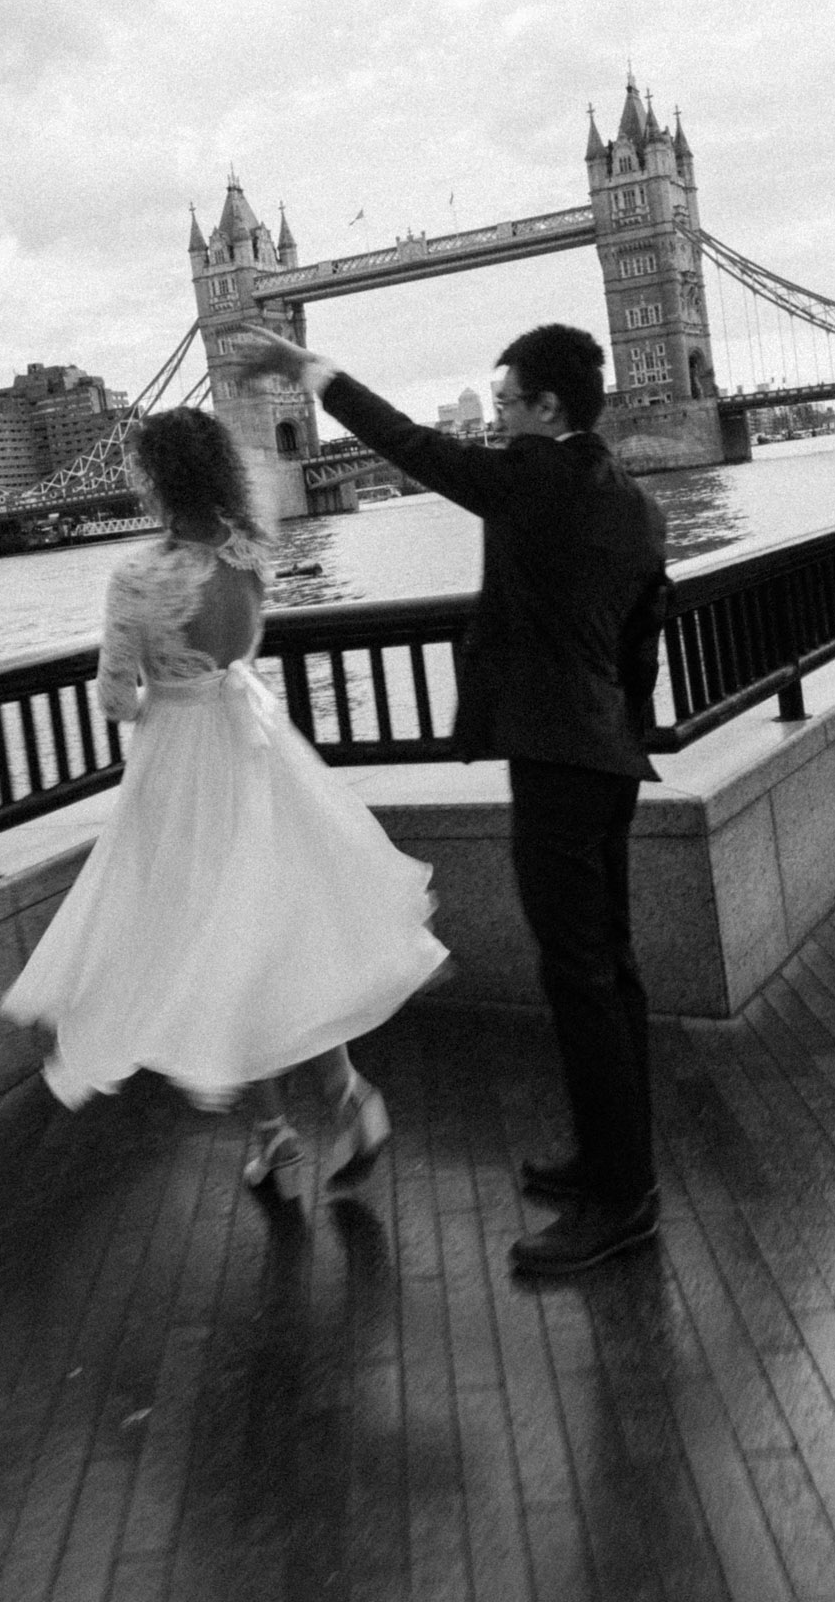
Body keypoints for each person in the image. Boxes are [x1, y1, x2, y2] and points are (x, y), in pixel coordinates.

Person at [240, 323, 669, 1275]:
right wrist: (619, 730)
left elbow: (412, 445)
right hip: (606, 756)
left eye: (508, 399)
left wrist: (310, 370)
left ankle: (622, 1202)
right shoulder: (632, 503)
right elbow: (643, 639)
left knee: (581, 977)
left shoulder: (532, 480)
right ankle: (612, 1158)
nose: (501, 414)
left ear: (546, 409)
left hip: (560, 760)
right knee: (612, 970)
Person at [0, 405, 448, 1203]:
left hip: (181, 768)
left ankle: (275, 1134)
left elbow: (114, 697)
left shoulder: (138, 576)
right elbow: (240, 651)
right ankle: (347, 1099)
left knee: (216, 945)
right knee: (278, 928)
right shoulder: (249, 555)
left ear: (154, 480)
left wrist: (155, 702)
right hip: (260, 751)